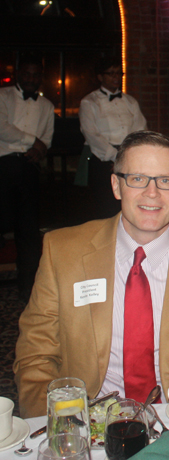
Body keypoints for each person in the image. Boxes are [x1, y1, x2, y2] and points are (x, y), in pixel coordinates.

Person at [14, 131, 169, 419]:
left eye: (165, 181)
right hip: (85, 420)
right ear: (116, 185)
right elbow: (36, 357)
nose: (151, 193)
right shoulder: (63, 253)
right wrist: (63, 425)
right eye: (137, 178)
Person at [0, 54, 54, 303]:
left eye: (36, 75)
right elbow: (3, 128)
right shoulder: (3, 96)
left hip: (29, 168)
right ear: (18, 73)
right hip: (3, 165)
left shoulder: (47, 106)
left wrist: (39, 148)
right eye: (27, 73)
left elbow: (48, 137)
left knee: (28, 231)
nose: (32, 79)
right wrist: (33, 141)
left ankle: (27, 286)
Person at [77, 57, 147, 218]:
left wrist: (128, 156)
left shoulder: (130, 101)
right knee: (106, 209)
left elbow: (140, 130)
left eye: (119, 73)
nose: (116, 77)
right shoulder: (89, 102)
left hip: (129, 158)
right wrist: (116, 157)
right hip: (103, 159)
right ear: (100, 77)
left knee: (130, 206)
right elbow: (92, 134)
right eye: (111, 73)